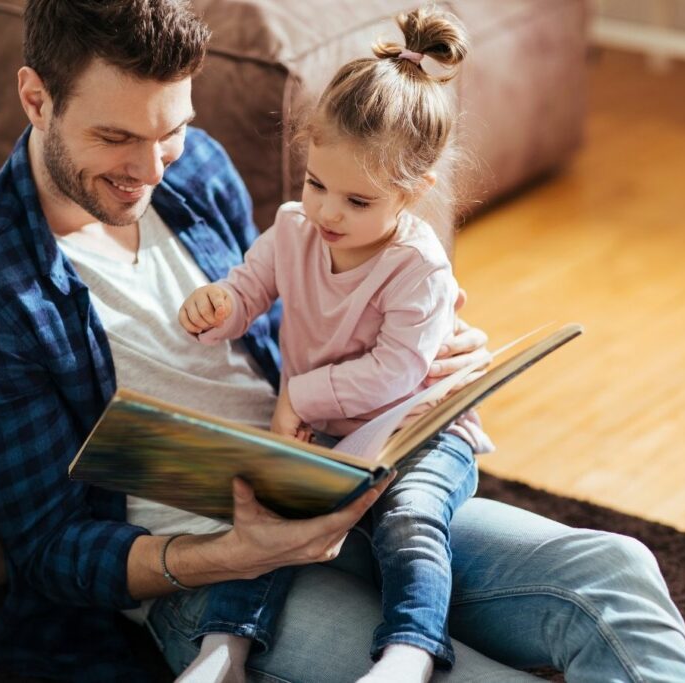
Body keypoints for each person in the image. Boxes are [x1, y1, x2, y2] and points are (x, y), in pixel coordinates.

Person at [0, 1, 685, 682]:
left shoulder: (193, 169)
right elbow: (53, 551)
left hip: (333, 473)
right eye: (118, 137)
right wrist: (233, 554)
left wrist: (424, 343)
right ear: (35, 97)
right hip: (204, 566)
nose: (152, 169)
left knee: (616, 572)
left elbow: (301, 306)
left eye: (171, 131)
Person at [175, 9, 486, 682]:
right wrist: (220, 305)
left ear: (413, 191)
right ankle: (222, 647)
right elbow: (250, 287)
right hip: (326, 437)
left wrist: (302, 393)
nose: (327, 213)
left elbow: (396, 372)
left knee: (412, 521)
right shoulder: (295, 229)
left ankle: (407, 653)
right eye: (316, 184)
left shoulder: (420, 269)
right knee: (263, 515)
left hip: (420, 433)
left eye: (356, 199)